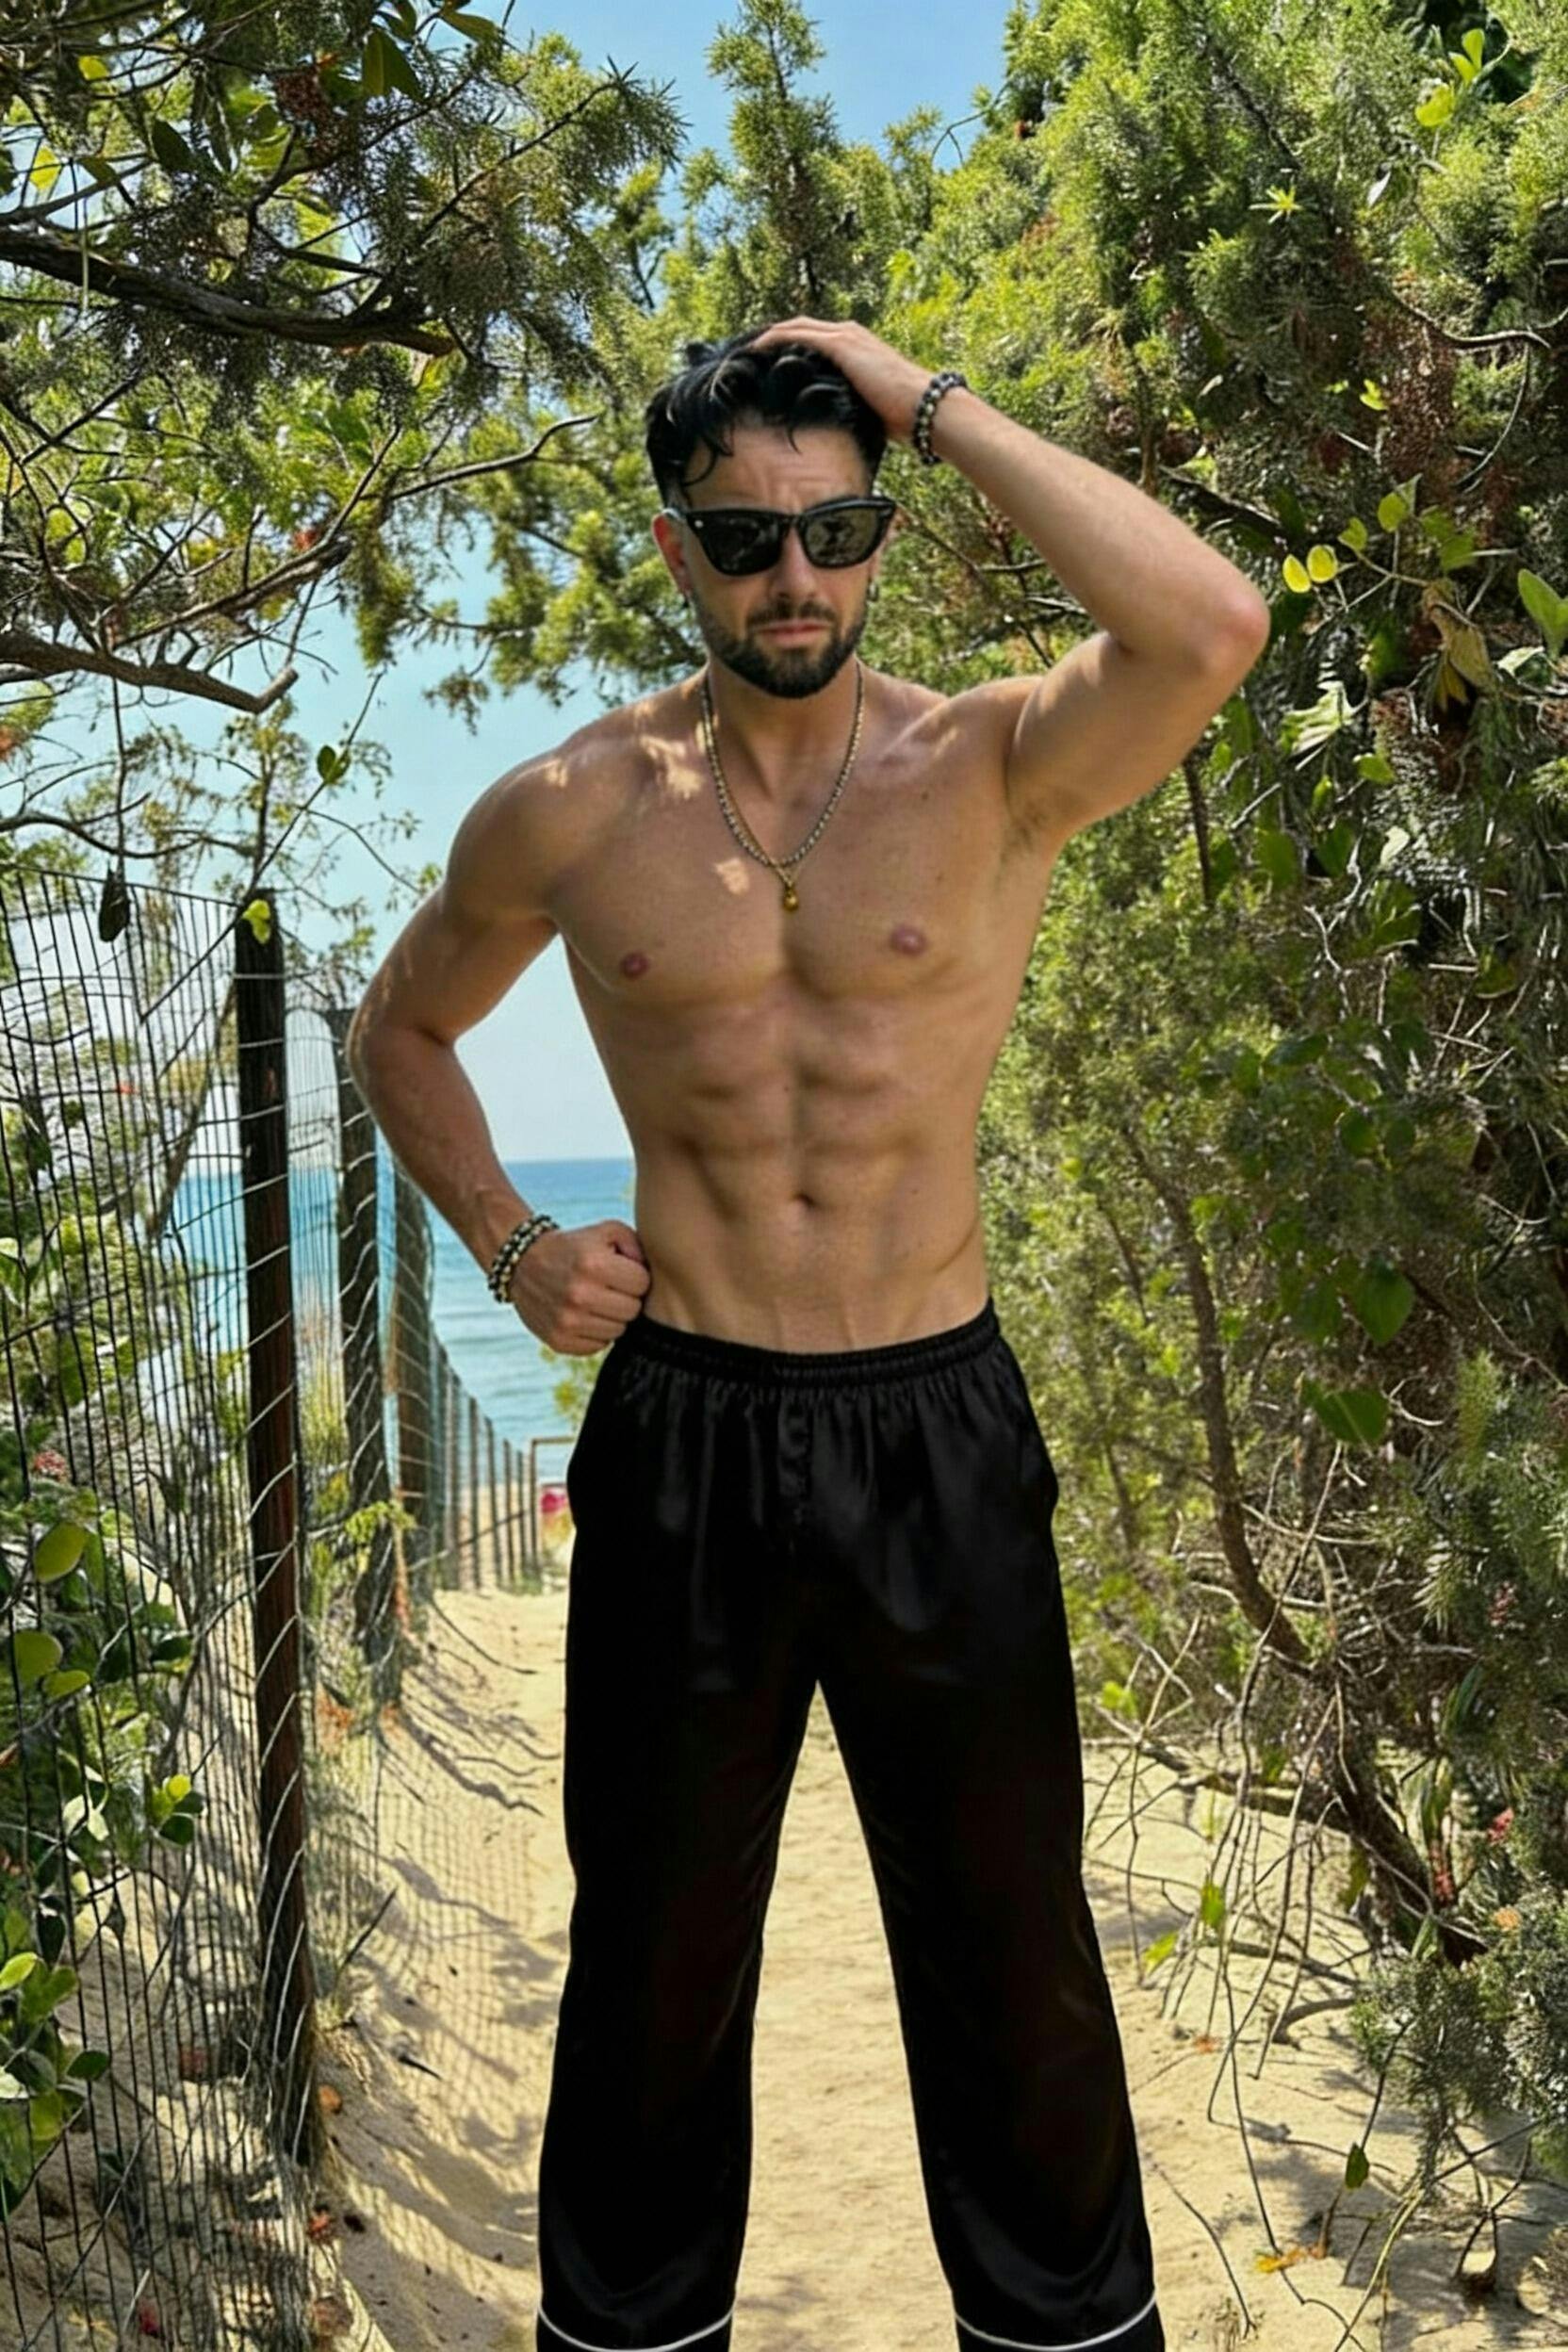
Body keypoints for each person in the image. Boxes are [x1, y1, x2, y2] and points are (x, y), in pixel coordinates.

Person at [347, 318, 1270, 2352]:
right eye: (748, 536)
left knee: (1015, 1958)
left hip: (938, 1425)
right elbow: (398, 1028)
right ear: (675, 546)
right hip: (687, 1432)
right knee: (654, 1967)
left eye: (836, 530)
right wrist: (508, 1240)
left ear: (880, 536)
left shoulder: (995, 766)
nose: (796, 577)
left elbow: (1212, 624)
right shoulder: (572, 809)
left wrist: (920, 393)